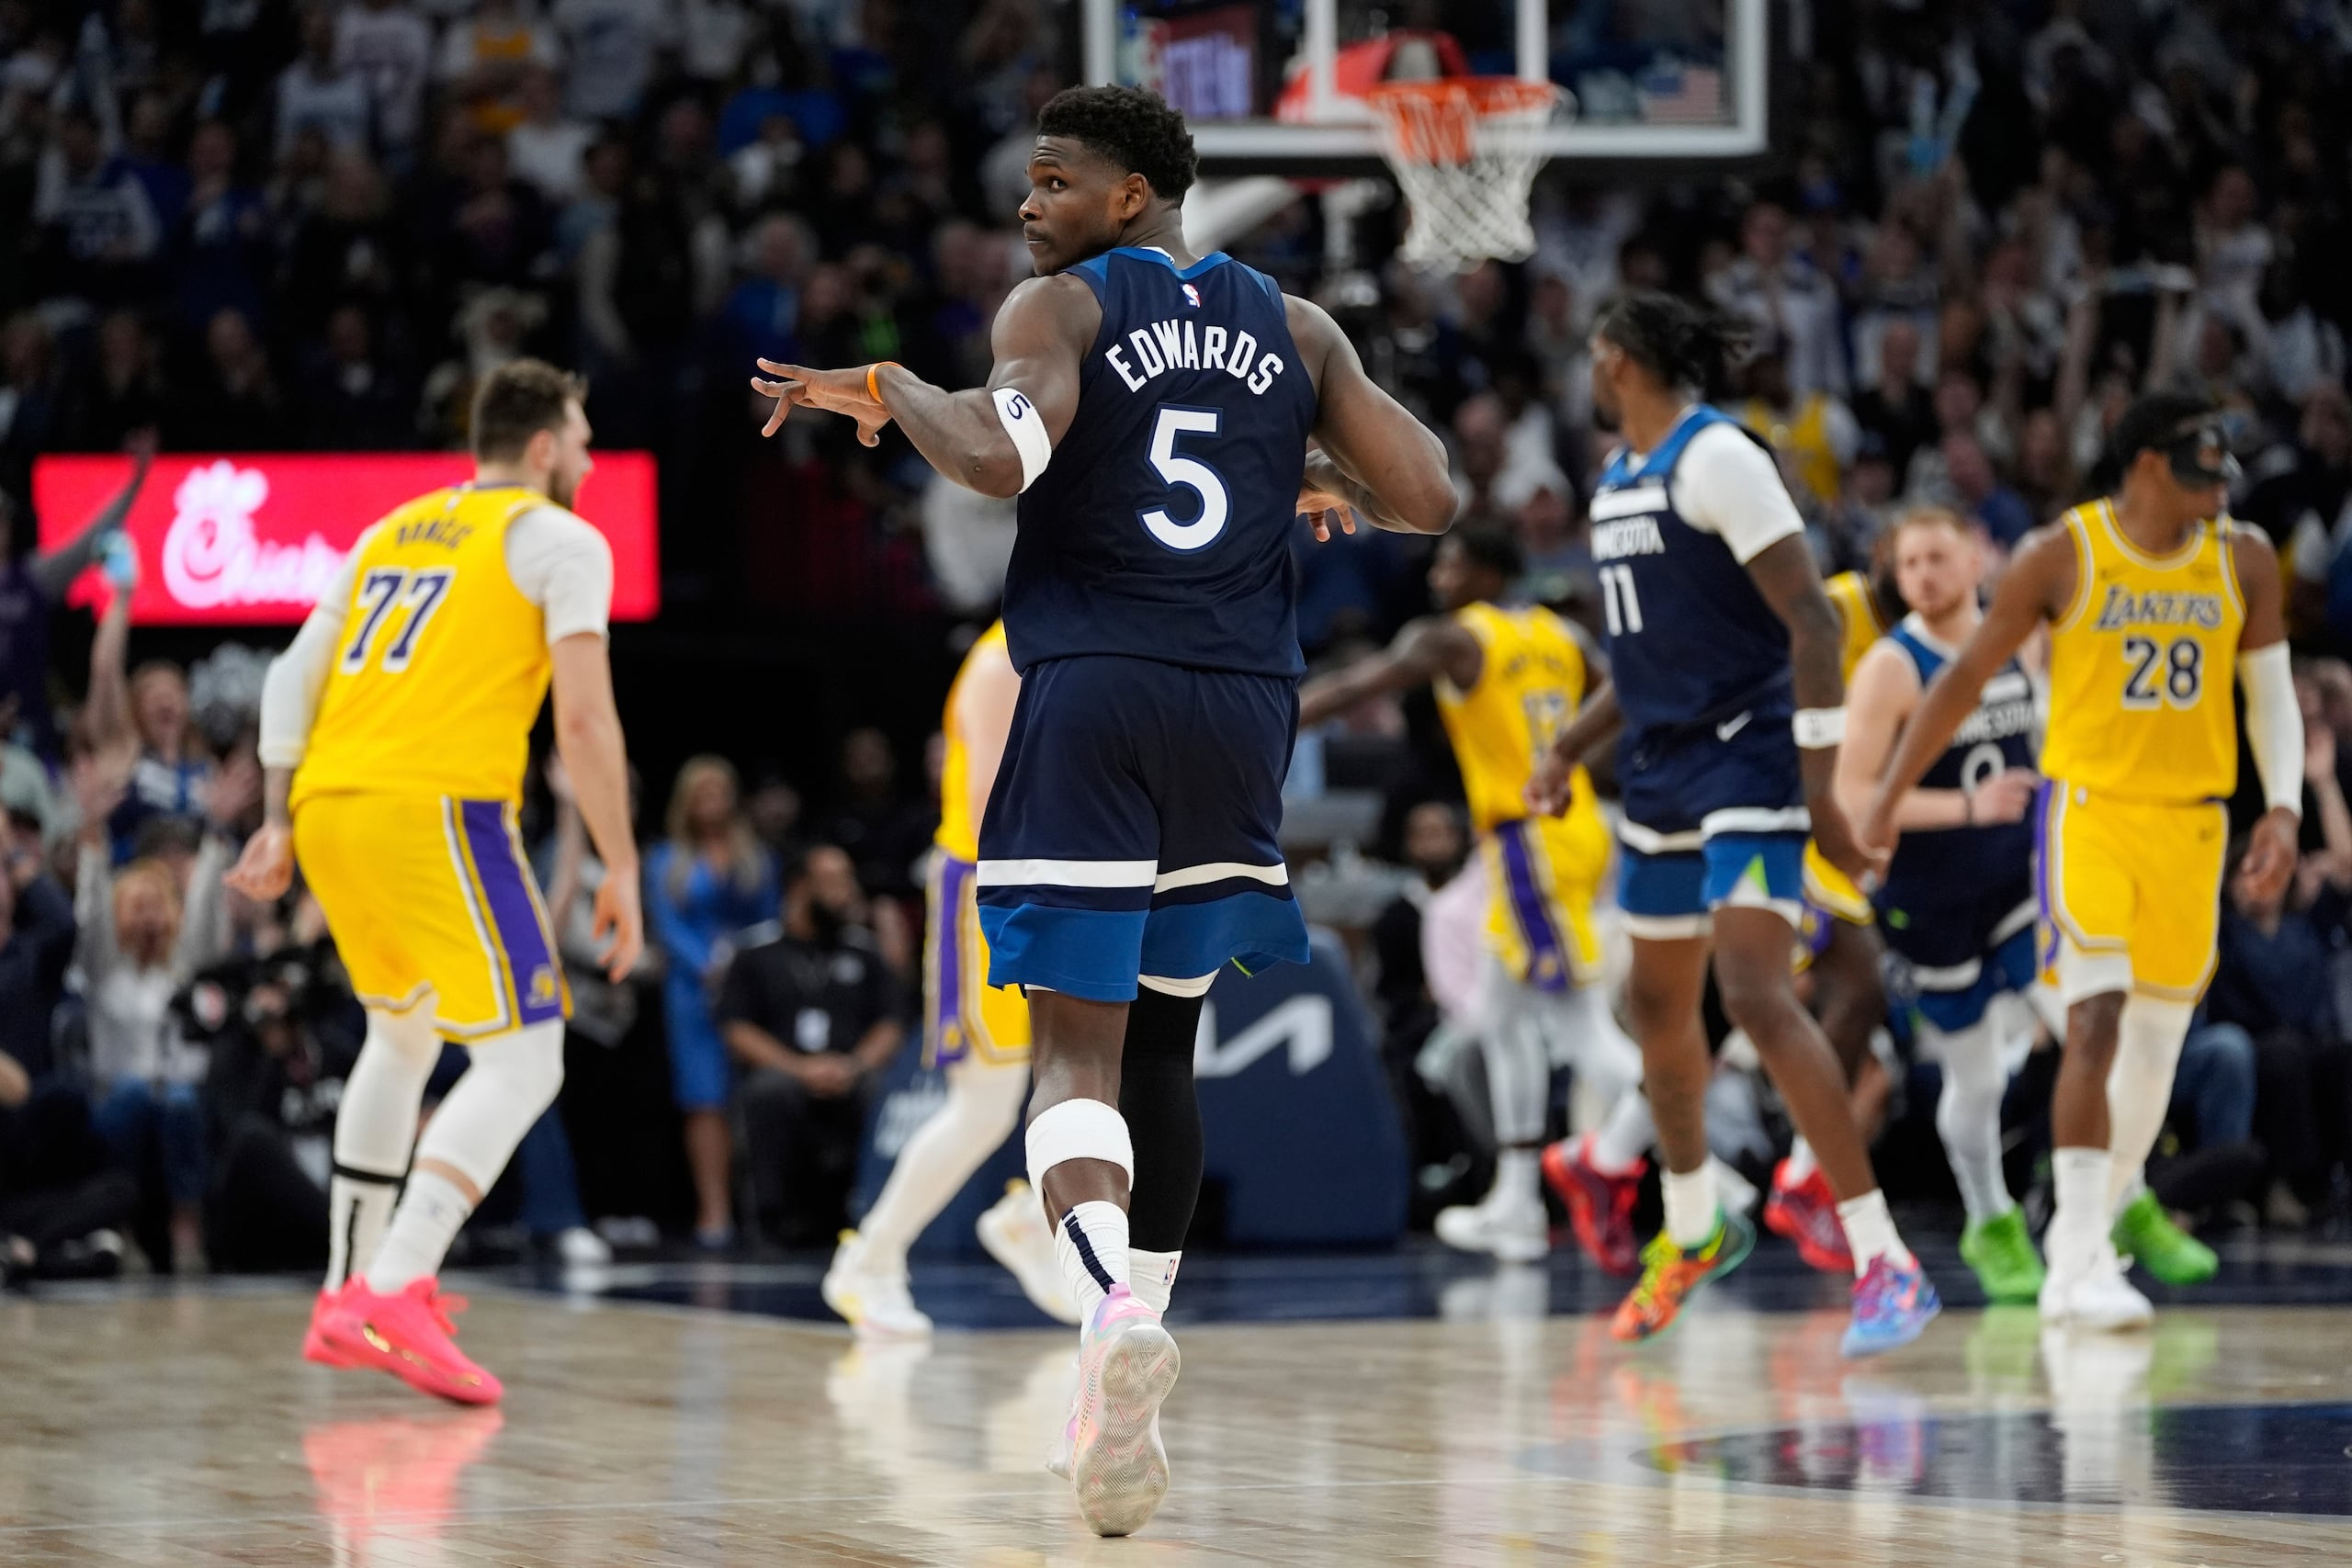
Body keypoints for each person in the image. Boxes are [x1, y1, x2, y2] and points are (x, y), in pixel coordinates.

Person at [752, 85, 1453, 1538]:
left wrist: (889, 385)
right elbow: (1431, 493)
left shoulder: (1056, 308)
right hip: (1242, 706)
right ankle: (1109, 1367)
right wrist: (1311, 476)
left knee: (1072, 1054)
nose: (1029, 205)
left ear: (1128, 195)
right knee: (1168, 1050)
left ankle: (1115, 1300)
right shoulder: (1297, 326)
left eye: (1053, 180)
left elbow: (1000, 453)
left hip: (1095, 688)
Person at [1525, 291, 1939, 1359]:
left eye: (1592, 357)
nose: (1587, 372)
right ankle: (1696, 1219)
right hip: (1661, 767)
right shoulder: (1617, 481)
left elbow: (1810, 618)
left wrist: (1819, 786)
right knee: (1654, 1002)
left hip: (1752, 758)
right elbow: (1643, 654)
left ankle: (1882, 1253)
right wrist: (1569, 747)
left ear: (1618, 359)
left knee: (1755, 992)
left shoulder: (1719, 460)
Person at [227, 359, 643, 1404]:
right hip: (439, 808)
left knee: (402, 1033)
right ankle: (401, 1280)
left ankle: (341, 1297)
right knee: (528, 1057)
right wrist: (620, 863)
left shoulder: (392, 531)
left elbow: (290, 676)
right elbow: (586, 724)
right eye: (583, 438)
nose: (590, 459)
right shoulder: (560, 540)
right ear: (543, 446)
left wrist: (276, 817)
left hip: (329, 804)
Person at [1864, 392, 2301, 1328]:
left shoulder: (2246, 557)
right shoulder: (2060, 553)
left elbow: (2269, 698)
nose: (2218, 490)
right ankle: (2069, 1254)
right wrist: (1885, 796)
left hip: (2193, 824)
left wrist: (2285, 806)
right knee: (2091, 1016)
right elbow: (1963, 680)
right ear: (2145, 464)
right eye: (2199, 471)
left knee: (2152, 1050)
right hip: (2090, 812)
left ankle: (2089, 1237)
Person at [1297, 526, 1634, 1264]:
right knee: (1499, 1018)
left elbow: (1363, 683)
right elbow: (1627, 688)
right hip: (1567, 825)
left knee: (1577, 1027)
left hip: (1528, 841)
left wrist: (1267, 720)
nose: (1441, 573)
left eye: (1454, 561)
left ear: (1490, 569)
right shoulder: (1562, 634)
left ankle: (1685, 1154)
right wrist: (1581, 761)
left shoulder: (1454, 638)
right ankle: (1514, 1199)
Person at [822, 621, 1076, 1337]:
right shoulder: (1003, 659)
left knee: (1095, 1069)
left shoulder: (1075, 641)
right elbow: (992, 805)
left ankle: (1031, 1212)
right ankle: (870, 1259)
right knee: (983, 1104)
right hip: (990, 885)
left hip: (1063, 882)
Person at [1835, 506, 2047, 1303]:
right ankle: (1990, 1215)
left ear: (1978, 561)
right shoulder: (1892, 666)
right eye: (1909, 562)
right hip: (1930, 892)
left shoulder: (2021, 637)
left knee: (2077, 1006)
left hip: (2018, 880)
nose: (1922, 573)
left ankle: (2108, 1202)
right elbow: (1858, 800)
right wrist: (1972, 805)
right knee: (1976, 1079)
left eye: (1937, 556)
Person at [722, 845, 904, 1245]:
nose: (847, 892)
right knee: (770, 1093)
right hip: (786, 1071)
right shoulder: (756, 952)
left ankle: (870, 1219)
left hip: (850, 1072)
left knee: (878, 1092)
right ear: (800, 886)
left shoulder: (864, 949)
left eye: (847, 880)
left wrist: (854, 1065)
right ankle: (771, 1222)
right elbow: (737, 1028)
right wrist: (798, 1068)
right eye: (834, 881)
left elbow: (890, 1023)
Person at [645, 755, 777, 1248]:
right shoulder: (666, 860)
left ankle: (761, 1208)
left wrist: (742, 966)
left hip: (747, 986)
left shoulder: (755, 856)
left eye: (719, 793)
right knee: (704, 1098)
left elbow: (769, 917)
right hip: (691, 989)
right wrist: (707, 965)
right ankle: (713, 1211)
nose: (711, 804)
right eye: (701, 795)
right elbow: (667, 924)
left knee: (752, 1091)